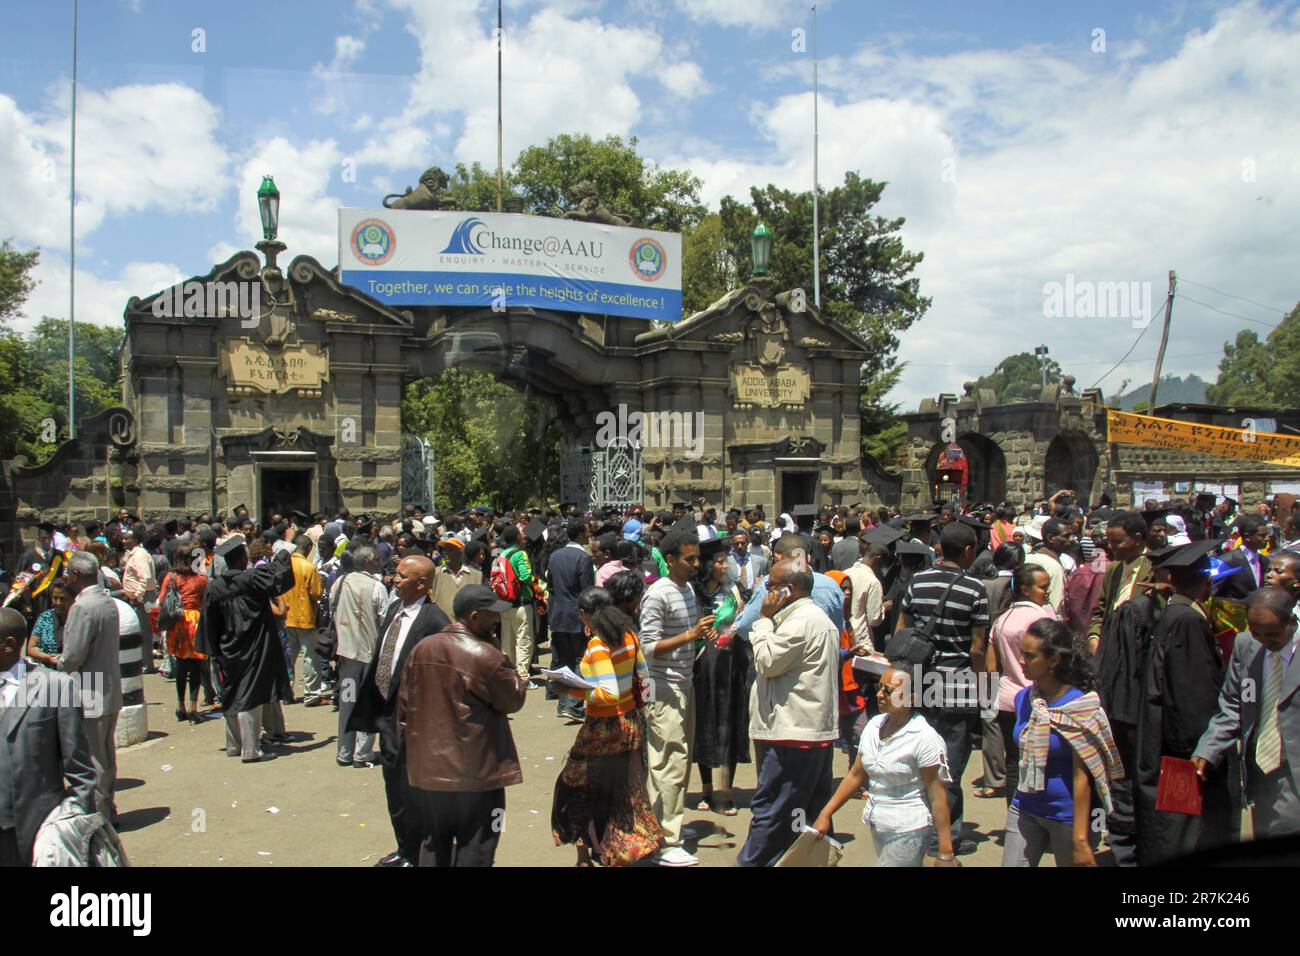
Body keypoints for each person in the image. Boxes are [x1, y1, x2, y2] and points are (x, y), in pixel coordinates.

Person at [400, 584, 527, 867]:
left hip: (429, 770)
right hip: (476, 771)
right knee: (479, 842)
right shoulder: (487, 656)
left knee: (434, 841)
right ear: (474, 616)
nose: (496, 620)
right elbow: (513, 700)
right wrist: (505, 661)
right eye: (491, 614)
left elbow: (404, 707)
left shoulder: (422, 648)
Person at [1134, 539, 1238, 865]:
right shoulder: (1188, 621)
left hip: (1163, 736)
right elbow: (1192, 694)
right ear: (1206, 581)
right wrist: (1204, 749)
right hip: (1184, 747)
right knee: (1188, 826)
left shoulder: (1173, 613)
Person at [345, 555, 449, 867]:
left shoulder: (435, 621)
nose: (394, 580)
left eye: (403, 576)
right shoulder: (395, 610)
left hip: (414, 721)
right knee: (394, 787)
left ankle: (419, 854)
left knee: (413, 790)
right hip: (387, 713)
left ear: (421, 583)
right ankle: (404, 848)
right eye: (395, 574)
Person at [895, 521, 990, 856]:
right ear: (968, 551)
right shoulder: (975, 589)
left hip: (922, 682)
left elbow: (902, 631)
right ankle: (944, 837)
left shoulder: (917, 582)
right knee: (950, 763)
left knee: (922, 760)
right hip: (958, 686)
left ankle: (921, 829)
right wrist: (984, 688)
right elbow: (977, 649)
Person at [551, 587, 662, 866]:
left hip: (601, 728)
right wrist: (644, 708)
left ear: (584, 614)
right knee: (623, 790)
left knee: (576, 787)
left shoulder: (598, 646)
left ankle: (588, 853)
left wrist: (571, 690)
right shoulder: (630, 636)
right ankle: (618, 847)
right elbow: (645, 675)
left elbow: (608, 693)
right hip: (630, 724)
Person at [737, 563, 839, 867]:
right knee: (801, 812)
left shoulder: (802, 621)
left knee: (772, 809)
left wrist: (763, 621)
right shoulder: (808, 619)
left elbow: (767, 661)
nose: (766, 593)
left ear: (788, 590)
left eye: (770, 587)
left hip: (793, 734)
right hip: (803, 731)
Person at [1002, 618, 1122, 867]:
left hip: (1069, 818)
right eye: (1021, 653)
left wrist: (1080, 840)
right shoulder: (1023, 699)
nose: (1021, 661)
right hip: (1024, 807)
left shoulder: (1080, 708)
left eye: (1030, 656)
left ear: (1054, 660)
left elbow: (1082, 778)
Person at [811, 665, 957, 867]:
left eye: (888, 691)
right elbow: (856, 775)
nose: (880, 694)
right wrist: (825, 813)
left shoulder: (925, 738)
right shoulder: (874, 726)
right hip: (878, 827)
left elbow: (937, 795)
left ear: (911, 698)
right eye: (879, 687)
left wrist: (945, 852)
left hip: (909, 830)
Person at [1194, 587, 1300, 839]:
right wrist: (1208, 748)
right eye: (1256, 633)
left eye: (1271, 634)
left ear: (1291, 621)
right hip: (1261, 769)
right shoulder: (1246, 646)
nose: (1263, 640)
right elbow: (1235, 703)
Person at [639, 529, 715, 867]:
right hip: (662, 687)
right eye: (689, 559)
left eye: (697, 558)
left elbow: (684, 636)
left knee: (678, 760)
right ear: (670, 560)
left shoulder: (687, 590)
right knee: (668, 760)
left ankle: (668, 825)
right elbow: (647, 647)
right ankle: (665, 840)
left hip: (684, 683)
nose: (696, 564)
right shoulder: (658, 594)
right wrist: (689, 634)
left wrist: (700, 634)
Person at [0, 607, 97, 867]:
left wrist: (79, 830)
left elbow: (80, 769)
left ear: (8, 645)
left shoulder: (55, 687)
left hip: (34, 830)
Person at [195, 535, 295, 764]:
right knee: (251, 694)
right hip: (254, 646)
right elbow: (277, 576)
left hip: (228, 648)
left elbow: (209, 623)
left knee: (231, 692)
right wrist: (283, 552)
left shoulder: (214, 587)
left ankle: (234, 744)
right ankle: (251, 749)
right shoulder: (251, 579)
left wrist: (214, 652)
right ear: (242, 559)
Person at [984, 563, 1056, 802]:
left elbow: (991, 667)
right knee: (1041, 762)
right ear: (1026, 589)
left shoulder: (1002, 619)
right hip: (1038, 701)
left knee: (1014, 761)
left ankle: (1013, 813)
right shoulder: (1042, 618)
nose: (1047, 591)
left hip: (1006, 700)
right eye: (1043, 587)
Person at [59, 550, 123, 818]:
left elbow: (73, 656)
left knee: (94, 755)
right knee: (106, 753)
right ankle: (107, 806)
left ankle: (99, 812)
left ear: (75, 574)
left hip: (90, 688)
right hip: (109, 685)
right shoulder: (107, 601)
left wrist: (57, 665)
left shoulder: (83, 607)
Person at [692, 537, 749, 816]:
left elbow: (742, 622)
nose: (724, 566)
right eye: (718, 561)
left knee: (729, 723)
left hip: (730, 666)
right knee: (704, 724)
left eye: (725, 561)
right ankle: (706, 789)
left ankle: (726, 790)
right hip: (701, 667)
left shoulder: (734, 591)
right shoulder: (692, 594)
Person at [330, 545, 388, 768]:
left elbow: (332, 610)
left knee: (347, 701)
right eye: (376, 560)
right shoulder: (376, 587)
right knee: (368, 702)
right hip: (369, 656)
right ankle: (362, 753)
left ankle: (344, 752)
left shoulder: (340, 582)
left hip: (346, 656)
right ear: (368, 563)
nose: (379, 563)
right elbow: (384, 619)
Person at [546, 520, 597, 721]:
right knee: (581, 660)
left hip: (557, 615)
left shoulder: (555, 556)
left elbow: (550, 585)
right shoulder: (583, 558)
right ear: (581, 534)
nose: (589, 535)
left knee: (564, 660)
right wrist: (589, 620)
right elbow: (587, 592)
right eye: (587, 531)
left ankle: (563, 704)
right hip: (577, 616)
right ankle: (573, 705)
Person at [1087, 511, 1152, 655]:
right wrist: (1094, 637)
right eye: (1109, 541)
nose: (1109, 547)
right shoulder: (1113, 569)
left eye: (1116, 542)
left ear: (1137, 539)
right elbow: (1100, 611)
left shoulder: (1155, 570)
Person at [825, 570, 872, 762]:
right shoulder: (824, 621)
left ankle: (857, 776)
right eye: (842, 589)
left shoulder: (847, 622)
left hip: (850, 689)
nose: (848, 593)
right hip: (832, 690)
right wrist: (847, 653)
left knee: (861, 736)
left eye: (849, 589)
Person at [157, 556, 209, 724]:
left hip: (177, 623)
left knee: (180, 664)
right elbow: (205, 601)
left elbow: (162, 600)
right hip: (195, 621)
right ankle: (193, 707)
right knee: (195, 666)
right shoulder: (201, 579)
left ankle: (181, 706)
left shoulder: (171, 577)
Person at [283, 535, 325, 705]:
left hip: (286, 617)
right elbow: (316, 593)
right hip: (305, 617)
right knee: (310, 658)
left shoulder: (284, 565)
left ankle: (286, 693)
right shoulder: (308, 567)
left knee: (288, 658)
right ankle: (312, 694)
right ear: (308, 549)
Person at [495, 525, 535, 682]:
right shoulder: (520, 554)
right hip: (522, 603)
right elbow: (525, 576)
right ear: (518, 537)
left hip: (505, 603)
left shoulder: (501, 554)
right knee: (523, 641)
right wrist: (534, 581)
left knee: (507, 641)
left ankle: (509, 676)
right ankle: (522, 677)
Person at [1216, 515, 1270, 600]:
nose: (1267, 538)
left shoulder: (1265, 561)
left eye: (1267, 535)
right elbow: (1215, 594)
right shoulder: (1227, 561)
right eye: (1262, 535)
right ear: (1247, 537)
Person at [1024, 517, 1069, 614]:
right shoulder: (1053, 567)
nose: (1069, 541)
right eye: (1066, 536)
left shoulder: (1026, 558)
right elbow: (1056, 608)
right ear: (1050, 538)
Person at [25, 578, 73, 669]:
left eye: (62, 599)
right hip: (47, 671)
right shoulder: (45, 617)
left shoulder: (79, 619)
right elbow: (31, 648)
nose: (58, 603)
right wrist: (48, 658)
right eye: (55, 598)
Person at [430, 537, 480, 619]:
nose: (445, 553)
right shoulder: (435, 573)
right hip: (441, 622)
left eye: (450, 550)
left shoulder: (476, 575)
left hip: (467, 623)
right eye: (444, 550)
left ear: (460, 552)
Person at [725, 529, 767, 603]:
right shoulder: (726, 563)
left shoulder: (761, 562)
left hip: (756, 601)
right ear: (732, 545)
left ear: (748, 543)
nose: (740, 546)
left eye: (742, 543)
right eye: (736, 544)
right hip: (735, 602)